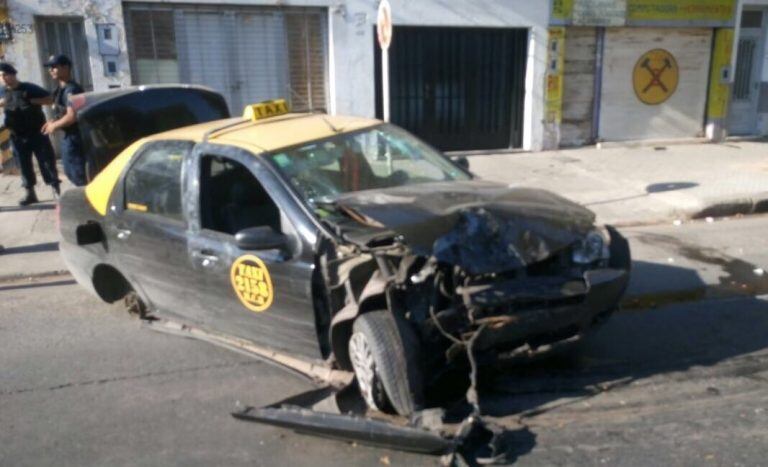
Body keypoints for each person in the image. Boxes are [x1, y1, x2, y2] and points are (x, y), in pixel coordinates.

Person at [0, 63, 61, 205]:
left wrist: (32, 100)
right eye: (0, 76)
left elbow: (51, 99)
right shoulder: (2, 91)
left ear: (13, 74)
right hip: (17, 136)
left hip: (37, 133)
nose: (2, 78)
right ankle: (30, 194)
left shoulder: (29, 87)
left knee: (46, 162)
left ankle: (56, 191)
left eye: (4, 75)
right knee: (23, 165)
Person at [40, 54, 86, 186]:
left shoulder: (72, 90)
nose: (51, 70)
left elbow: (72, 116)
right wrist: (52, 122)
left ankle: (85, 202)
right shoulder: (60, 90)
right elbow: (62, 111)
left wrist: (54, 126)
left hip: (75, 137)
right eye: (49, 68)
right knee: (69, 170)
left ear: (65, 68)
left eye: (54, 67)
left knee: (78, 174)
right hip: (67, 137)